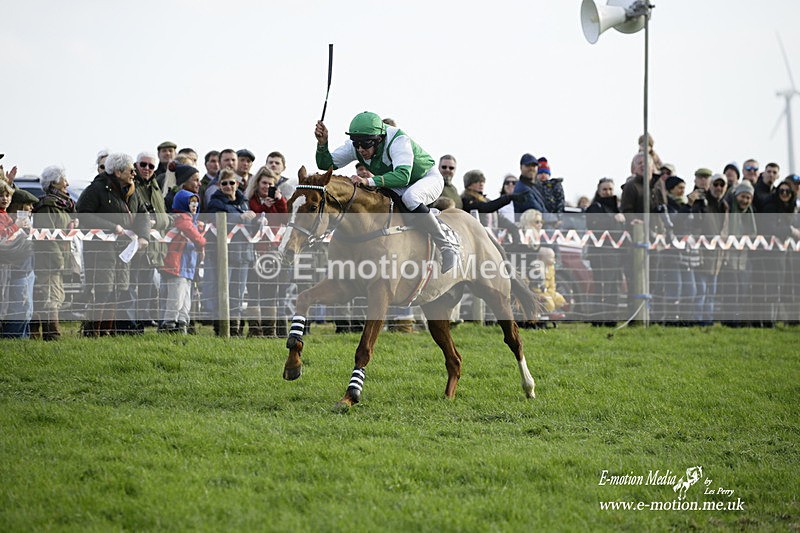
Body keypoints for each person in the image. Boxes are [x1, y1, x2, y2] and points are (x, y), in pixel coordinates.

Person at [314, 111, 458, 272]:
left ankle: (446, 246)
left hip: (425, 178)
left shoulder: (398, 140)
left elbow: (403, 176)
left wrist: (367, 181)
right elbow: (326, 165)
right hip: (397, 182)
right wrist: (322, 144)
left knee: (411, 198)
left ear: (379, 139)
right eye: (357, 144)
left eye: (366, 144)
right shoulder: (357, 145)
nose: (361, 149)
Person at [76, 153, 151, 337]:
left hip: (123, 250)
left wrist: (144, 236)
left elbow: (143, 213)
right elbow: (83, 214)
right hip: (101, 251)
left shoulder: (133, 189)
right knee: (103, 291)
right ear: (118, 172)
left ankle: (107, 332)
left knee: (119, 290)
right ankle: (93, 333)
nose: (134, 173)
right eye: (130, 170)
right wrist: (111, 227)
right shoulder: (97, 189)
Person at [206, 168, 257, 335]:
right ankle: (221, 329)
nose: (228, 186)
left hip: (243, 255)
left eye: (231, 182)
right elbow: (217, 220)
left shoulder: (244, 202)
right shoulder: (215, 202)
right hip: (224, 255)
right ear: (219, 185)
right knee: (222, 293)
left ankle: (235, 329)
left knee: (238, 294)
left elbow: (249, 229)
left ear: (237, 184)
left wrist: (257, 220)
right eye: (224, 183)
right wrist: (239, 218)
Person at [31, 165, 77, 340]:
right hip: (49, 260)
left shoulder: (62, 205)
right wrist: (58, 260)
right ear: (53, 183)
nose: (66, 183)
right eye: (62, 179)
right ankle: (52, 335)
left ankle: (45, 334)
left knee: (55, 295)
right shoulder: (47, 205)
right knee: (50, 296)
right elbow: (45, 237)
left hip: (59, 257)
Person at [129, 151, 171, 332]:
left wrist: (162, 221)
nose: (147, 169)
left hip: (153, 245)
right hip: (134, 243)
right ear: (136, 165)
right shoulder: (131, 185)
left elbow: (163, 216)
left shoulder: (155, 187)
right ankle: (131, 324)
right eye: (143, 165)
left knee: (147, 285)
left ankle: (143, 319)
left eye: (151, 166)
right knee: (131, 285)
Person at [244, 166, 288, 337]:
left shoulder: (277, 200)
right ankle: (255, 330)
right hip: (255, 250)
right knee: (254, 290)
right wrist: (262, 209)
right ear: (257, 183)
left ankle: (270, 330)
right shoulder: (250, 200)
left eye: (270, 184)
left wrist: (278, 201)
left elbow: (284, 219)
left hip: (272, 251)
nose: (266, 186)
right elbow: (254, 220)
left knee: (271, 290)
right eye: (264, 183)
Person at [159, 190, 206, 334]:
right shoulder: (182, 219)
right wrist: (202, 242)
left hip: (188, 267)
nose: (194, 205)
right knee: (176, 297)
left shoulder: (193, 221)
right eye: (191, 202)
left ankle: (182, 322)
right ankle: (169, 323)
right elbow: (194, 235)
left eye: (196, 202)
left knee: (186, 297)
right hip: (177, 266)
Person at [585, 178, 625, 326]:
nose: (607, 192)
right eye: (604, 189)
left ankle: (611, 319)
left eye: (610, 189)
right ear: (599, 190)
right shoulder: (595, 207)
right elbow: (593, 225)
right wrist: (613, 220)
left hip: (617, 255)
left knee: (615, 286)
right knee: (602, 287)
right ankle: (598, 319)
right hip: (600, 255)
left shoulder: (617, 208)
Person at [0, 184, 36, 338]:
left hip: (24, 266)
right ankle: (13, 339)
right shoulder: (6, 217)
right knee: (19, 307)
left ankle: (22, 340)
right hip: (13, 267)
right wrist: (16, 226)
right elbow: (3, 238)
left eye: (7, 195)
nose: (5, 199)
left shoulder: (6, 215)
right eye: (27, 205)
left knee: (26, 309)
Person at [719, 180, 757, 326]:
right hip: (729, 259)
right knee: (731, 291)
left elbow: (752, 235)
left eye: (748, 197)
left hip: (744, 260)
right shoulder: (728, 209)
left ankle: (738, 322)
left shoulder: (750, 214)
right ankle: (729, 322)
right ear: (736, 196)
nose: (745, 200)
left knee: (743, 291)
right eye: (742, 196)